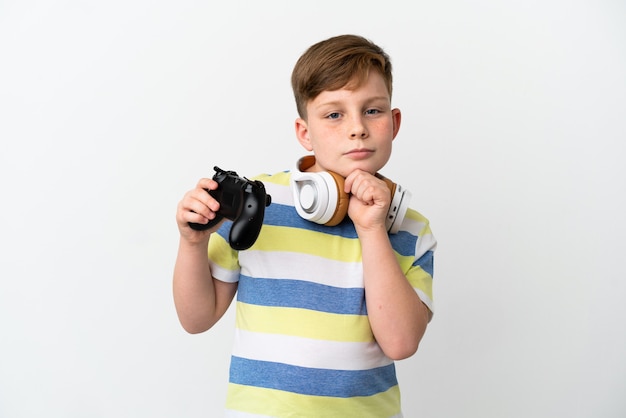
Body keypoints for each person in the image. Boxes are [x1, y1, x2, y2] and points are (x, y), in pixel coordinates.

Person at [173, 34, 437, 417]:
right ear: (304, 133)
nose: (357, 128)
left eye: (373, 111)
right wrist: (192, 244)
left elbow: (400, 343)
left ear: (394, 123)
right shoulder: (257, 203)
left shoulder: (411, 230)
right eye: (334, 114)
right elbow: (196, 319)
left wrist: (372, 230)